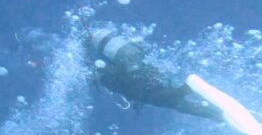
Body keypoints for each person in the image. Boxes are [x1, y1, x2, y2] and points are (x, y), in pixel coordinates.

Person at [86, 29, 220, 120]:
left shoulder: (105, 72)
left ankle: (189, 88)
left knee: (170, 100)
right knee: (175, 101)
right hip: (143, 73)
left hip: (139, 85)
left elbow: (108, 80)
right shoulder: (115, 64)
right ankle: (215, 113)